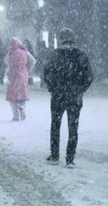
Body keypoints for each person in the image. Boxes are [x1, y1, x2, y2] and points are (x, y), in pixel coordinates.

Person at [44, 28, 93, 168]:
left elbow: (47, 73)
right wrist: (80, 90)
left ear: (61, 39)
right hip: (74, 97)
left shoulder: (55, 54)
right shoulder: (81, 55)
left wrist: (52, 88)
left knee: (55, 125)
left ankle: (54, 155)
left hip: (58, 96)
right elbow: (89, 76)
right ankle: (70, 158)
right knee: (73, 127)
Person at [5, 37, 36, 121]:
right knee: (22, 93)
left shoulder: (10, 52)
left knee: (12, 95)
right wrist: (27, 69)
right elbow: (33, 61)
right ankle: (22, 106)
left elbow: (6, 61)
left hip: (12, 75)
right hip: (23, 75)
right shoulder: (25, 52)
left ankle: (15, 115)